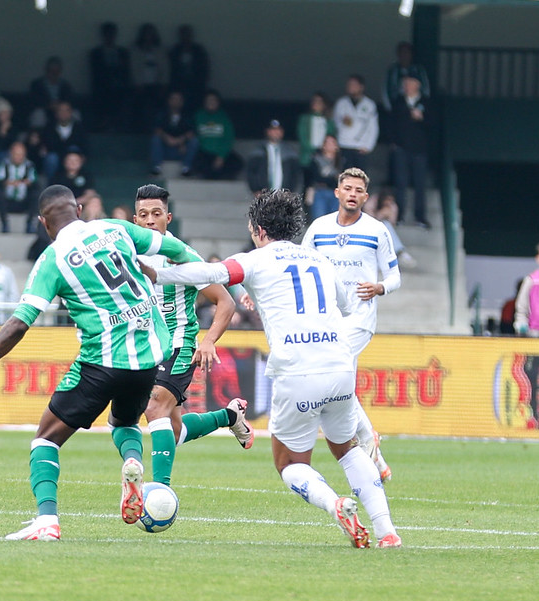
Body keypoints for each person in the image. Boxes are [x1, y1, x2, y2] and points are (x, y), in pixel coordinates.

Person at [144, 189, 402, 548]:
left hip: (297, 370)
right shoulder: (320, 260)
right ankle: (387, 530)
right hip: (340, 365)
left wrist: (156, 274)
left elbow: (211, 272)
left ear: (257, 229)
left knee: (289, 463)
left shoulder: (256, 260)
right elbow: (344, 305)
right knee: (347, 449)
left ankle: (335, 503)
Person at [0, 183, 204, 541]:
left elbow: (20, 322)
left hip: (101, 361)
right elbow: (177, 248)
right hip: (147, 357)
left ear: (43, 222)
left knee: (45, 440)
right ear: (79, 209)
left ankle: (47, 521)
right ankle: (133, 462)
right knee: (124, 420)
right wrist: (217, 276)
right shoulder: (116, 229)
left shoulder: (52, 259)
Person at [131, 184, 251, 487]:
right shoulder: (127, 255)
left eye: (156, 214)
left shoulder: (182, 257)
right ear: (135, 221)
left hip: (178, 344)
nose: (149, 220)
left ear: (168, 218)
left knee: (154, 406)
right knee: (173, 430)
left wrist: (208, 340)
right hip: (145, 347)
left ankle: (159, 493)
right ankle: (229, 417)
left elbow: (225, 301)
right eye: (143, 215)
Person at [301, 168, 399, 482]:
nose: (353, 193)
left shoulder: (377, 230)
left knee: (331, 374)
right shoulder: (318, 228)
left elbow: (395, 276)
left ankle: (367, 442)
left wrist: (380, 287)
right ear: (338, 192)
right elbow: (303, 266)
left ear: (366, 197)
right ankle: (374, 454)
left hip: (359, 320)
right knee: (339, 388)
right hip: (326, 321)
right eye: (348, 188)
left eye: (359, 190)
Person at [390, 76, 432, 228]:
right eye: (404, 83)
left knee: (420, 184)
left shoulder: (426, 103)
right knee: (401, 183)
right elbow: (392, 123)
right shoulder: (399, 102)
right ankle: (399, 215)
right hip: (401, 148)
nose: (406, 86)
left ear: (418, 85)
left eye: (409, 83)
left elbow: (433, 124)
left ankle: (420, 217)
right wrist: (394, 142)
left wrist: (421, 118)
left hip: (420, 149)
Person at [89, 22, 131, 132]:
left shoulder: (123, 52)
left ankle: (118, 125)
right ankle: (105, 124)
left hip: (120, 87)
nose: (110, 37)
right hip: (103, 87)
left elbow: (126, 71)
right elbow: (96, 73)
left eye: (112, 34)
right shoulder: (96, 53)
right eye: (107, 34)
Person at [333, 75, 379, 171]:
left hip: (361, 146)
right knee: (345, 175)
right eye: (349, 85)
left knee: (360, 177)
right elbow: (335, 123)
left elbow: (373, 127)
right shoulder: (341, 103)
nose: (351, 87)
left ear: (361, 87)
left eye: (354, 85)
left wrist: (368, 146)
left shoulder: (369, 104)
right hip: (344, 144)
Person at [193, 90, 242, 180]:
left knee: (237, 163)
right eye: (209, 101)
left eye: (214, 100)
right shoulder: (198, 115)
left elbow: (229, 138)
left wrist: (221, 156)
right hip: (205, 153)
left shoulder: (224, 117)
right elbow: (193, 134)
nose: (211, 103)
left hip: (220, 153)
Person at [246, 119, 301, 196]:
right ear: (268, 132)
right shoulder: (258, 152)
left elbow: (295, 174)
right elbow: (251, 172)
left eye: (278, 130)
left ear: (282, 132)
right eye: (273, 130)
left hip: (283, 195)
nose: (275, 133)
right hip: (263, 194)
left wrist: (291, 191)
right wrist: (255, 189)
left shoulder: (290, 153)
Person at [364, 187, 416, 268]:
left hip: (382, 234)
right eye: (387, 199)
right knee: (384, 224)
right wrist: (380, 215)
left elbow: (392, 225)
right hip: (367, 229)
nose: (388, 202)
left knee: (386, 225)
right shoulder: (373, 201)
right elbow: (369, 219)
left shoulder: (392, 206)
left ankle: (399, 252)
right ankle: (399, 252)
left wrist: (387, 214)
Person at [150, 91, 198, 177]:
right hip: (165, 149)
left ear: (182, 102)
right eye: (173, 99)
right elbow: (157, 130)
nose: (176, 101)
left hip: (181, 150)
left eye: (178, 99)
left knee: (194, 141)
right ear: (168, 100)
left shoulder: (187, 116)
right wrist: (167, 138)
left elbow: (191, 132)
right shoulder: (162, 114)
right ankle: (156, 167)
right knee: (155, 139)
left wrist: (180, 141)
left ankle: (186, 168)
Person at [0, 141, 38, 233]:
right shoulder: (4, 164)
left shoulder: (29, 165)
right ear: (11, 153)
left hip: (23, 200)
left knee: (35, 194)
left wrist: (25, 183)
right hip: (8, 200)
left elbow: (34, 181)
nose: (18, 157)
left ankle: (30, 224)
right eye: (16, 154)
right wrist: (9, 183)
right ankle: (4, 224)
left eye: (21, 154)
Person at [131, 23, 167, 133]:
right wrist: (137, 83)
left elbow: (165, 67)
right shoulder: (136, 50)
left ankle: (157, 128)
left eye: (151, 34)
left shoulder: (160, 50)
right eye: (146, 34)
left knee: (158, 108)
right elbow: (133, 67)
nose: (148, 37)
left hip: (157, 84)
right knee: (140, 108)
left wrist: (164, 83)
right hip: (141, 85)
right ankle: (140, 129)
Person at [42, 100, 89, 179]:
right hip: (56, 158)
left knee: (74, 150)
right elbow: (49, 146)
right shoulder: (49, 127)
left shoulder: (78, 128)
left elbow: (83, 145)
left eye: (66, 110)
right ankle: (52, 185)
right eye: (61, 110)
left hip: (72, 158)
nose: (64, 113)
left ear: (71, 112)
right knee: (51, 158)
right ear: (56, 113)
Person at [168, 25, 209, 113]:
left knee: (195, 106)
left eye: (188, 34)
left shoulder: (198, 50)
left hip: (196, 84)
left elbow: (204, 67)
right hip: (179, 84)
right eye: (183, 34)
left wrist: (202, 80)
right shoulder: (175, 50)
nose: (185, 37)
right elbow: (170, 68)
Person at [27, 56, 75, 129]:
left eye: (56, 72)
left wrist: (59, 106)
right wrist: (49, 105)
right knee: (38, 114)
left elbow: (69, 100)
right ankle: (36, 138)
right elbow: (34, 101)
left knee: (75, 114)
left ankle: (71, 138)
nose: (54, 74)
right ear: (47, 70)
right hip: (44, 110)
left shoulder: (65, 85)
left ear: (60, 71)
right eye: (51, 71)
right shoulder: (37, 84)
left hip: (61, 109)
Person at [382, 41, 431, 112]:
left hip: (416, 106)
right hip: (397, 107)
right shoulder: (392, 70)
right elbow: (385, 90)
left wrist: (421, 107)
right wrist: (389, 108)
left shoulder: (419, 70)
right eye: (402, 52)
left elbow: (426, 89)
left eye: (407, 52)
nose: (404, 55)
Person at [305, 134, 343, 220]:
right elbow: (315, 178)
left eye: (332, 143)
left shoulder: (342, 161)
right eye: (327, 143)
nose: (329, 145)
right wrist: (333, 178)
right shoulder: (316, 160)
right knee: (319, 220)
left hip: (337, 195)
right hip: (320, 192)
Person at [296, 92, 336, 171]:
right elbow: (302, 136)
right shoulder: (304, 119)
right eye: (314, 101)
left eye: (319, 101)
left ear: (324, 104)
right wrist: (312, 151)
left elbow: (331, 137)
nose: (316, 103)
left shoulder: (329, 121)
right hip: (308, 156)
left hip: (324, 158)